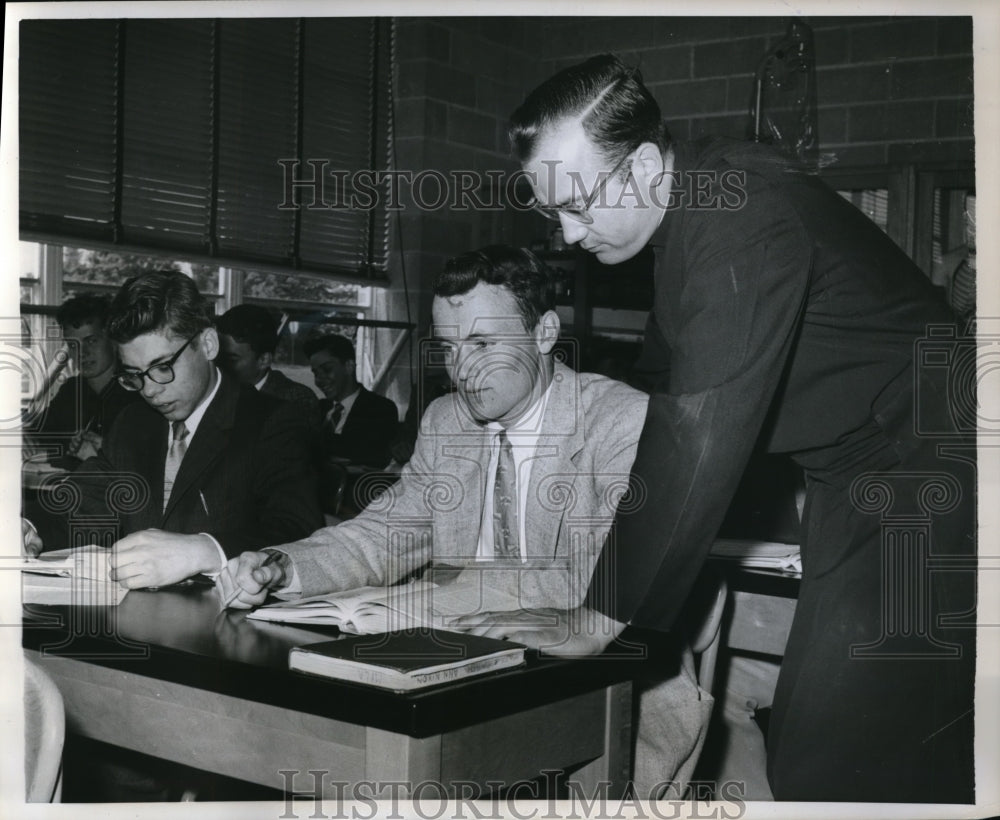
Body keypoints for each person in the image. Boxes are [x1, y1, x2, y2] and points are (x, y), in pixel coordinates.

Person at [464, 55, 977, 804]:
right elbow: (661, 388)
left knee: (839, 756)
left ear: (642, 166)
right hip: (864, 470)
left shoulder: (738, 212)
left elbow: (694, 434)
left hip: (932, 464)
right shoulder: (685, 214)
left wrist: (600, 613)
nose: (569, 235)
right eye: (553, 214)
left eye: (578, 205)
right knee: (841, 742)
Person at [220, 245, 711, 794]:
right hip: (458, 676)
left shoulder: (623, 421)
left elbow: (595, 579)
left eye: (482, 343)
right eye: (450, 346)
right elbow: (386, 533)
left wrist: (440, 589)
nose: (461, 369)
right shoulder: (448, 419)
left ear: (545, 333)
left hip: (611, 696)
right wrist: (285, 565)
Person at [25, 270, 324, 589]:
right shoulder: (134, 422)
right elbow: (83, 506)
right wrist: (29, 527)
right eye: (135, 374)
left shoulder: (272, 422)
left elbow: (298, 532)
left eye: (162, 367)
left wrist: (205, 550)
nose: (150, 390)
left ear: (208, 344)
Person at [27, 293, 141, 464]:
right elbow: (36, 433)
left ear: (112, 339)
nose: (82, 352)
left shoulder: (138, 392)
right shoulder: (71, 390)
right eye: (73, 345)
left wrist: (108, 452)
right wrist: (24, 437)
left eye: (91, 341)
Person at [216, 303, 320, 426]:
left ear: (264, 360)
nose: (219, 366)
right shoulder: (217, 395)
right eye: (217, 357)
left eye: (232, 360)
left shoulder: (296, 401)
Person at [304, 333, 398, 469]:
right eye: (316, 373)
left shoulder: (380, 408)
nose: (319, 380)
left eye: (327, 369)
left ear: (349, 366)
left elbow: (366, 454)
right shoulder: (319, 408)